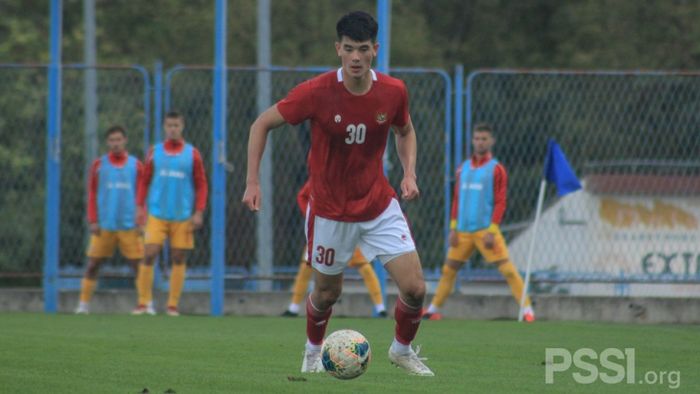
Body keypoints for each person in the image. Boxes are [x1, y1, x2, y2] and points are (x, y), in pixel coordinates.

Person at [243, 11, 433, 376]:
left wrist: (409, 174)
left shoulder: (393, 91)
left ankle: (401, 350)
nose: (356, 57)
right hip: (330, 212)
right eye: (349, 49)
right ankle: (313, 352)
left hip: (378, 205)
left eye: (363, 49)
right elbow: (261, 124)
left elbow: (405, 131)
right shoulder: (316, 92)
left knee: (416, 288)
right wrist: (252, 181)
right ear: (338, 50)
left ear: (375, 50)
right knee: (327, 294)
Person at [422, 123, 535, 322]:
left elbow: (501, 202)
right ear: (472, 140)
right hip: (462, 232)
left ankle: (527, 311)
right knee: (448, 270)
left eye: (484, 139)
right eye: (477, 138)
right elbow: (457, 199)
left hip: (485, 232)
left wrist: (492, 230)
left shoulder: (496, 169)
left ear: (491, 141)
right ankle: (433, 309)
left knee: (507, 270)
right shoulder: (462, 168)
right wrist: (453, 227)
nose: (480, 142)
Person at [132, 111, 208, 316]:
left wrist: (199, 211)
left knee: (179, 257)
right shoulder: (154, 152)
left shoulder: (192, 153)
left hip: (182, 215)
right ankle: (144, 303)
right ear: (164, 127)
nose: (173, 129)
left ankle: (172, 305)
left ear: (182, 126)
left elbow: (201, 184)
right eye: (169, 126)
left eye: (176, 125)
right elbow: (144, 181)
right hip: (157, 214)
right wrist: (140, 207)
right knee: (149, 253)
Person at [282, 181, 387, 318]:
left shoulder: (356, 177)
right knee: (306, 266)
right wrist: (312, 216)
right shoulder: (320, 175)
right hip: (323, 233)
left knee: (365, 268)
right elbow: (302, 196)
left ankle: (380, 308)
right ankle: (293, 308)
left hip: (348, 232)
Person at [75, 126, 144, 314]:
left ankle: (145, 304)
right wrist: (92, 220)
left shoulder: (136, 165)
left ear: (125, 140)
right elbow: (92, 193)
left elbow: (142, 194)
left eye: (119, 139)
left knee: (138, 266)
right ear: (108, 142)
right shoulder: (99, 165)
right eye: (112, 140)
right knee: (93, 264)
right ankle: (83, 304)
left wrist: (141, 220)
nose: (116, 143)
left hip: (129, 225)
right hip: (104, 225)